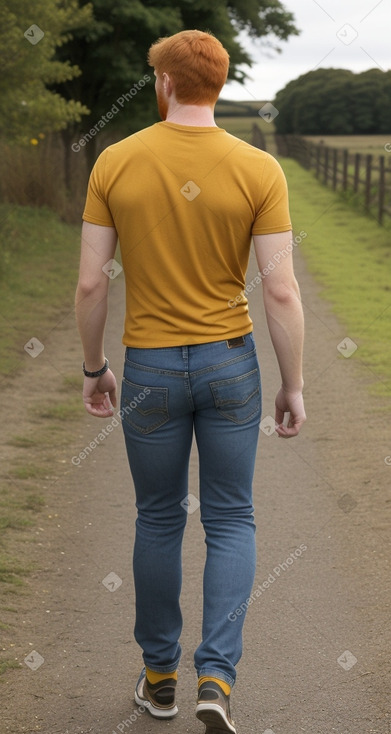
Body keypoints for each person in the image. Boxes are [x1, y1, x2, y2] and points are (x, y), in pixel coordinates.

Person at [75, 29, 306, 734]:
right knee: (232, 517)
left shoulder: (116, 160)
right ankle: (216, 678)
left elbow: (90, 283)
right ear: (217, 83)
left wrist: (94, 369)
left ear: (166, 84)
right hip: (229, 362)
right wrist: (291, 384)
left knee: (158, 517)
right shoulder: (257, 168)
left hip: (146, 366)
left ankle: (158, 679)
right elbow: (279, 293)